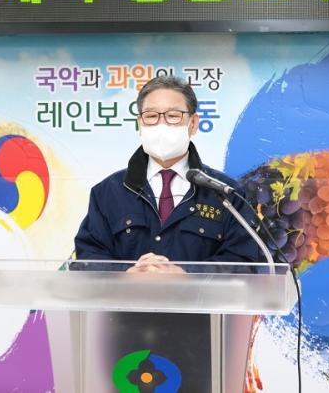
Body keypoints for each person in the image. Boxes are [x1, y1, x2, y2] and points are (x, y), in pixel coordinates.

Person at [74, 76, 259, 272]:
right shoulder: (108, 192)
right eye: (151, 116)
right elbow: (87, 259)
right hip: (127, 293)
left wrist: (187, 276)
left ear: (193, 123)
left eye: (173, 116)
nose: (161, 124)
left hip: (196, 294)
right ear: (140, 123)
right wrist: (127, 274)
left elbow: (244, 263)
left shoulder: (225, 193)